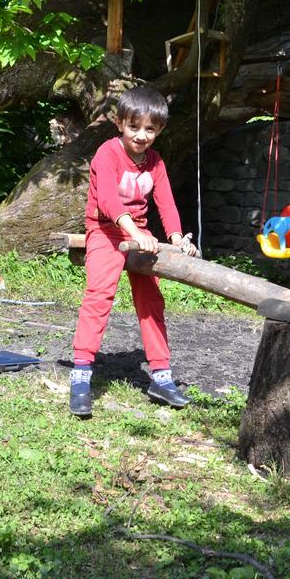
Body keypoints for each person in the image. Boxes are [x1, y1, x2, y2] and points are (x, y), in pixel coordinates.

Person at [68, 86, 198, 418]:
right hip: (106, 231)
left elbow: (166, 203)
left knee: (151, 300)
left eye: (150, 130)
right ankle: (81, 375)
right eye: (134, 127)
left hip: (139, 234)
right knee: (100, 295)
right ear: (119, 123)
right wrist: (136, 232)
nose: (141, 136)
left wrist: (177, 238)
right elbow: (109, 201)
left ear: (160, 130)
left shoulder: (155, 162)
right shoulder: (107, 154)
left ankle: (161, 376)